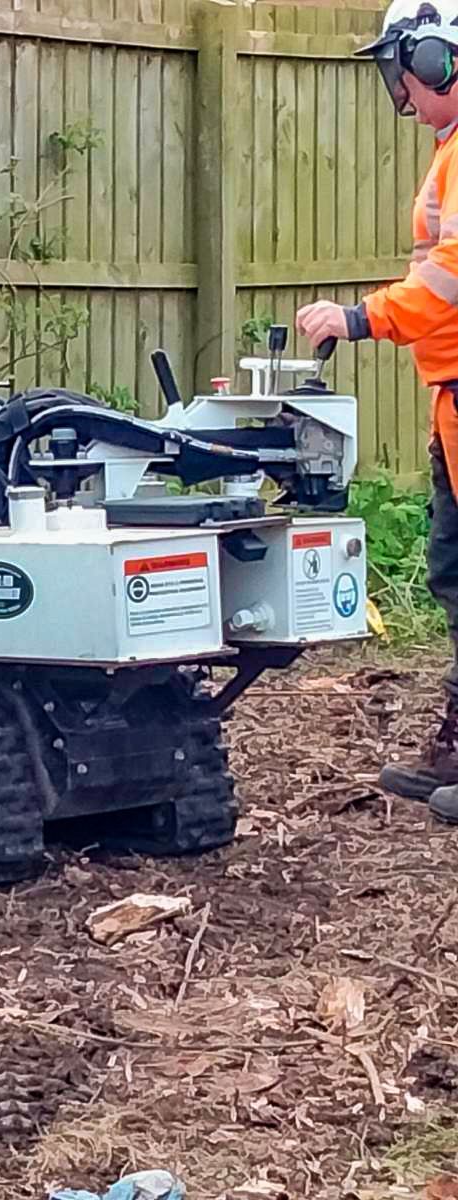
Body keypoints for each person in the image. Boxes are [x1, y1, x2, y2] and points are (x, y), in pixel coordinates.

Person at [297, 0, 458, 820]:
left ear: (438, 62)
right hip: (452, 391)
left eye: (404, 68)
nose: (398, 86)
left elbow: (448, 284)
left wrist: (361, 318)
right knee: (452, 567)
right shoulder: (450, 152)